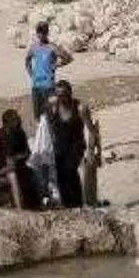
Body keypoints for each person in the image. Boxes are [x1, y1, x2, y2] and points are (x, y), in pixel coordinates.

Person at [47, 80, 92, 209]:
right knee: (60, 175)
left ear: (70, 94)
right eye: (58, 95)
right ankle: (67, 205)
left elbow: (91, 130)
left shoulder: (80, 108)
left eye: (64, 94)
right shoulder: (53, 106)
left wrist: (91, 150)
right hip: (59, 146)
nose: (61, 98)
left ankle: (77, 204)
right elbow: (49, 125)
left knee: (70, 171)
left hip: (76, 146)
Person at [25, 21, 72, 120]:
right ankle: (41, 135)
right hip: (36, 85)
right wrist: (31, 74)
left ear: (47, 33)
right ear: (37, 33)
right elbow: (27, 60)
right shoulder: (34, 47)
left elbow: (68, 58)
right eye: (39, 31)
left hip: (49, 85)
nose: (41, 34)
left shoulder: (52, 47)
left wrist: (55, 65)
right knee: (38, 116)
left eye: (43, 31)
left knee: (51, 114)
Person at [0, 109, 44, 211]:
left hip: (19, 165)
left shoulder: (20, 133)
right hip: (4, 169)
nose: (19, 121)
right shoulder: (0, 136)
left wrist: (15, 158)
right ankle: (20, 209)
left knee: (35, 177)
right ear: (7, 123)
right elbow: (0, 157)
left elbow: (27, 152)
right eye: (16, 120)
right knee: (13, 177)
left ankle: (39, 205)